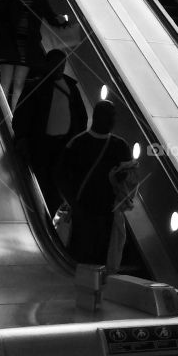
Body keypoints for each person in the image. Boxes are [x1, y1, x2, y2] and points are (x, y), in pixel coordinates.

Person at [55, 99, 136, 269]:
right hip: (89, 213)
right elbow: (62, 177)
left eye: (113, 116)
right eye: (108, 115)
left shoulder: (79, 142)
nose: (112, 120)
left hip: (98, 213)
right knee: (93, 260)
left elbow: (62, 177)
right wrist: (75, 206)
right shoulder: (116, 146)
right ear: (97, 116)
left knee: (87, 260)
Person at [12, 49, 87, 212]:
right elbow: (22, 114)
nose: (59, 69)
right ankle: (39, 211)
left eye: (62, 65)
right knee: (42, 180)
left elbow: (81, 116)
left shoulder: (71, 87)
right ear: (48, 65)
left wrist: (77, 140)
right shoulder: (36, 86)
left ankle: (49, 212)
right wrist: (22, 137)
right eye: (56, 65)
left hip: (63, 145)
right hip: (42, 144)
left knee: (56, 182)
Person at [0, 0, 68, 108]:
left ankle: (14, 115)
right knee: (5, 82)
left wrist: (61, 21)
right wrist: (0, 36)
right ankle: (2, 110)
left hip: (27, 47)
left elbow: (50, 17)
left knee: (19, 84)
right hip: (10, 44)